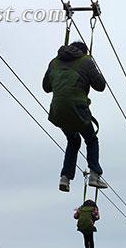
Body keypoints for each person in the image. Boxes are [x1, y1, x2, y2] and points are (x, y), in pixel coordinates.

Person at [43, 41, 108, 192]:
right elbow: (100, 86)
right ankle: (94, 175)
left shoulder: (54, 62)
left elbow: (46, 87)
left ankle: (65, 178)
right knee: (91, 140)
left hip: (58, 112)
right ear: (83, 52)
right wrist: (94, 69)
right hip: (78, 109)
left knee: (73, 140)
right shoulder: (86, 61)